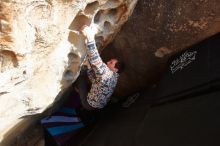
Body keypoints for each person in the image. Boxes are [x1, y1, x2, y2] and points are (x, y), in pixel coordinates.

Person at [74, 25, 124, 110]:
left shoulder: (107, 74)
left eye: (111, 63)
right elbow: (96, 82)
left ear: (115, 69)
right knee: (87, 74)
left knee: (80, 78)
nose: (107, 62)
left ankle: (76, 89)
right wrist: (89, 68)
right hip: (100, 104)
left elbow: (94, 57)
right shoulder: (114, 77)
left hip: (89, 104)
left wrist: (90, 36)